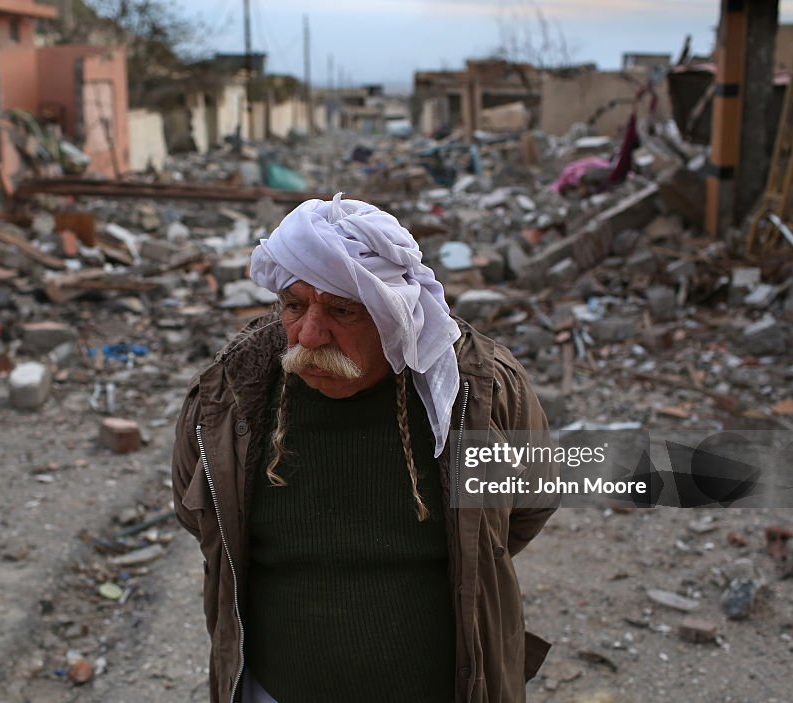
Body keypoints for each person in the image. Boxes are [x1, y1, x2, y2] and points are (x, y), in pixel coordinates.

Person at [172, 193, 558, 703]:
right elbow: (197, 513)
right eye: (293, 305)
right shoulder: (229, 394)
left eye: (342, 310)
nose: (310, 334)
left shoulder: (480, 391)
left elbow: (528, 505)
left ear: (393, 312)